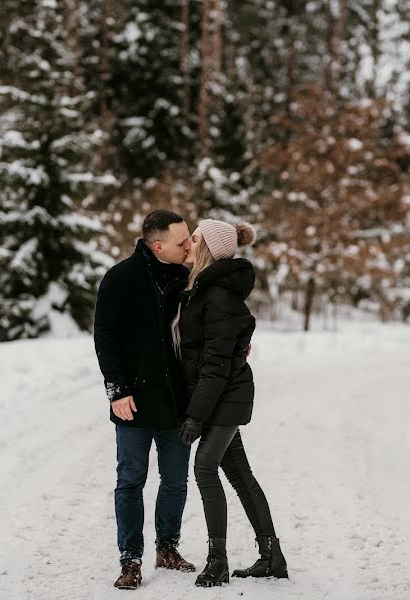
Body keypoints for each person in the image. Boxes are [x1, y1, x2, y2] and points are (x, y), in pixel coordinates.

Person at [172, 218, 289, 587]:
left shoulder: (219, 295)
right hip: (218, 395)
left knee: (205, 467)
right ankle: (272, 556)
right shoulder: (202, 289)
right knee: (238, 474)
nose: (187, 245)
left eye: (193, 239)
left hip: (226, 395)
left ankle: (217, 560)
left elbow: (216, 366)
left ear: (206, 246)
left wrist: (195, 416)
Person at [93, 210, 197, 590]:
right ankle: (130, 559)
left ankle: (167, 548)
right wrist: (117, 391)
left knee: (175, 481)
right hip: (132, 400)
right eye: (182, 241)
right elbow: (105, 338)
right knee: (131, 479)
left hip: (176, 401)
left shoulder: (187, 278)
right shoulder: (120, 279)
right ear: (158, 246)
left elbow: (206, 326)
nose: (190, 245)